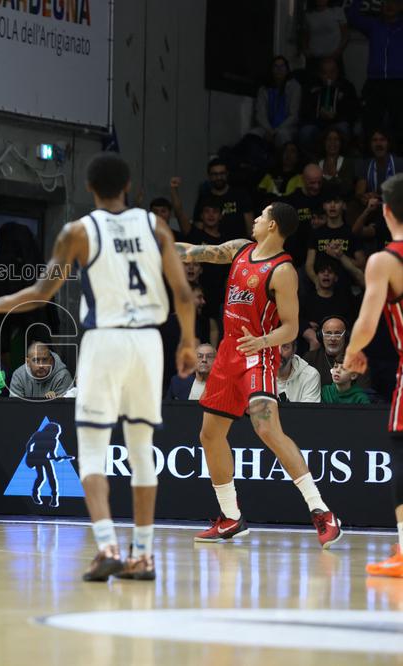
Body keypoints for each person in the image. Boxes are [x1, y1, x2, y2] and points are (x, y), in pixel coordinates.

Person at [0, 152, 197, 581]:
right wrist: (187, 341)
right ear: (128, 186)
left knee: (92, 448)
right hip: (149, 340)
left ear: (90, 189)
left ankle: (108, 545)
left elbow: (43, 291)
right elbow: (184, 295)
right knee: (141, 449)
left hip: (106, 340)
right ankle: (144, 555)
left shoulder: (80, 230)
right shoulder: (156, 227)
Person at [176, 202, 343, 548]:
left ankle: (322, 511)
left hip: (259, 356)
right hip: (227, 356)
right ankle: (231, 517)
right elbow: (198, 252)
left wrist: (263, 341)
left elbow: (292, 328)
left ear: (273, 226)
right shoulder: (240, 249)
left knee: (266, 428)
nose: (255, 218)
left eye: (262, 215)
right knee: (210, 435)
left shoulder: (283, 271)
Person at [344, 171, 403, 577]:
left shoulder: (385, 259)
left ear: (385, 211)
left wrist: (352, 351)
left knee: (402, 454)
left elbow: (366, 322)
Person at [346, 0, 403, 138]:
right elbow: (351, 16)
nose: (390, 5)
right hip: (375, 82)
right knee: (371, 124)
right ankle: (370, 157)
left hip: (399, 82)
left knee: (400, 125)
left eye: (394, 2)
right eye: (386, 2)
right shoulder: (374, 25)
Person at [251, 56, 302, 147]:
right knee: (253, 135)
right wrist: (270, 130)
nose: (279, 69)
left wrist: (276, 130)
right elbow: (260, 114)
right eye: (276, 66)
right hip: (267, 127)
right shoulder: (264, 89)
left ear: (287, 69)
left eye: (282, 66)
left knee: (282, 135)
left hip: (287, 127)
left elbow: (293, 115)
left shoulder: (294, 87)